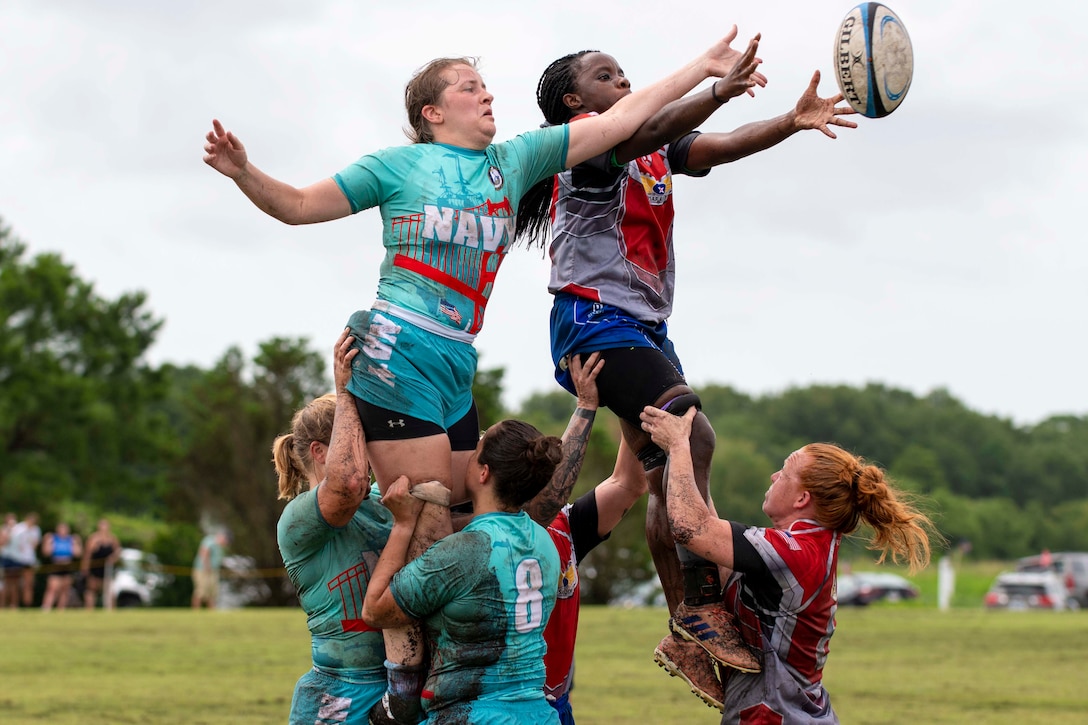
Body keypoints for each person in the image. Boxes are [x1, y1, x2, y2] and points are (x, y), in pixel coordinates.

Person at [203, 30, 758, 717]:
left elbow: (620, 121)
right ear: (434, 112)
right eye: (470, 86)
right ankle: (404, 700)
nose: (487, 94)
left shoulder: (513, 161)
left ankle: (461, 689)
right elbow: (296, 206)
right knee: (433, 530)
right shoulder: (397, 166)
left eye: (486, 85)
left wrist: (701, 69)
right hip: (399, 352)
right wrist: (242, 171)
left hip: (456, 365)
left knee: (472, 527)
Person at [517, 44, 859, 698]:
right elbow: (653, 126)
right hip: (594, 321)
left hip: (642, 329)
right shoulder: (586, 146)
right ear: (574, 102)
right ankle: (699, 606)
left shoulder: (651, 146)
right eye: (604, 75)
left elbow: (717, 147)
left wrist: (790, 120)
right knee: (691, 436)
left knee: (663, 469)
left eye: (624, 71)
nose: (621, 78)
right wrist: (719, 86)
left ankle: (684, 621)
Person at [640, 405, 935, 723]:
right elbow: (708, 536)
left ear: (801, 499)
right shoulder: (810, 543)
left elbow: (692, 529)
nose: (774, 476)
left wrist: (679, 446)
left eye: (784, 472)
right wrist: (685, 456)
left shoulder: (796, 552)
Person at [362, 418, 566, 724]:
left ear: (483, 472)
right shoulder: (544, 542)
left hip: (473, 715)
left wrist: (403, 525)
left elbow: (376, 610)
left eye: (476, 449)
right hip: (537, 713)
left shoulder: (467, 550)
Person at [273, 328, 395, 725]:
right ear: (320, 452)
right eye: (357, 441)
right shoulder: (296, 520)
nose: (368, 452)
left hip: (397, 688)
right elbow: (345, 485)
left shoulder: (381, 504)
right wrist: (345, 395)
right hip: (339, 692)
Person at [1, 512, 41, 608]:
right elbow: (3, 542)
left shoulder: (35, 530)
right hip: (8, 558)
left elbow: (33, 545)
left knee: (17, 583)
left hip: (20, 559)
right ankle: (3, 605)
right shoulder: (15, 529)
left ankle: (15, 605)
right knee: (6, 582)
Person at [41, 521, 83, 611]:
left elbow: (78, 554)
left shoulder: (71, 539)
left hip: (67, 567)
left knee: (65, 589)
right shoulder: (53, 539)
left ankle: (61, 609)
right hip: (56, 566)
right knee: (52, 588)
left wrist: (76, 543)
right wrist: (47, 542)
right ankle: (46, 608)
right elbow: (46, 552)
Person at [81, 518, 121, 609]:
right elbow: (87, 554)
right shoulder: (93, 538)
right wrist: (85, 567)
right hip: (95, 568)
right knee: (92, 589)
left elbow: (118, 552)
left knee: (110, 590)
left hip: (108, 568)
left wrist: (113, 558)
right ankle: (89, 610)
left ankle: (111, 610)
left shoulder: (113, 539)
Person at [191, 530, 230, 609]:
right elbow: (204, 552)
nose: (226, 543)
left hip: (213, 571)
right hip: (202, 571)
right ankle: (195, 611)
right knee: (201, 591)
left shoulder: (220, 547)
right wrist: (207, 567)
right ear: (223, 537)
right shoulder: (210, 540)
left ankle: (212, 611)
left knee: (212, 593)